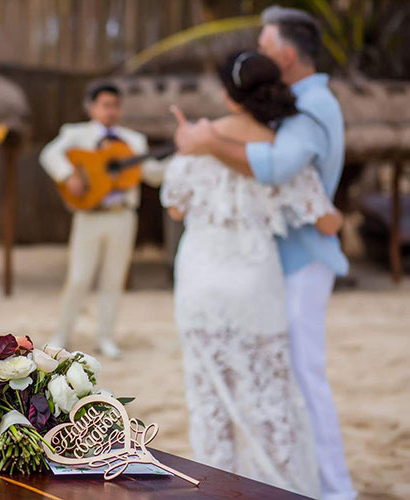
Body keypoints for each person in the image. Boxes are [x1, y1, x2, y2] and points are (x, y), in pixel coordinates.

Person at [173, 6, 355, 500]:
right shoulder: (292, 107)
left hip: (289, 265)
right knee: (276, 386)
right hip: (265, 266)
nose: (261, 50)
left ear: (287, 54)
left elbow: (276, 168)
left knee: (295, 384)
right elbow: (311, 200)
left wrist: (206, 139)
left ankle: (333, 490)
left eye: (266, 42)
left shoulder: (312, 107)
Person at [39, 83, 165, 358]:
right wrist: (67, 175)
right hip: (89, 216)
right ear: (92, 107)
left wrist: (175, 162)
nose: (111, 111)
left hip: (122, 215)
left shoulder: (134, 141)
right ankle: (62, 333)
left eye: (115, 105)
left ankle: (105, 336)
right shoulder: (75, 134)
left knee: (114, 278)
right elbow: (49, 154)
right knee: (79, 277)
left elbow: (152, 174)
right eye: (105, 105)